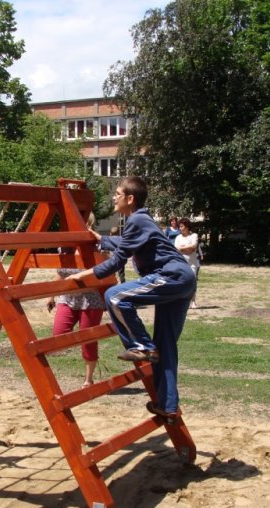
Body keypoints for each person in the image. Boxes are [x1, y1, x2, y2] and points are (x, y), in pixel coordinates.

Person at [66, 176, 196, 424]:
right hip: (183, 279)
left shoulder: (137, 219)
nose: (114, 197)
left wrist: (87, 274)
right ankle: (167, 405)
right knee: (165, 345)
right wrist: (101, 239)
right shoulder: (140, 221)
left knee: (115, 296)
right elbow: (128, 244)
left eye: (117, 193)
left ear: (130, 198)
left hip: (171, 276)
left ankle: (142, 346)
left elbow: (117, 261)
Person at [47, 215, 106, 387]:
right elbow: (61, 271)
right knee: (58, 336)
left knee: (88, 339)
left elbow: (105, 269)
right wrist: (51, 295)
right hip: (68, 297)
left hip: (91, 299)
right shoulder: (65, 246)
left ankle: (88, 379)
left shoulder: (96, 246)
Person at [174, 218, 200, 308]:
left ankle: (193, 301)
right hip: (181, 264)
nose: (180, 228)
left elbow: (193, 247)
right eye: (179, 227)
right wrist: (186, 249)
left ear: (187, 226)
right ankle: (182, 301)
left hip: (192, 264)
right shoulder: (178, 238)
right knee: (181, 282)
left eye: (182, 226)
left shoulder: (194, 236)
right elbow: (176, 250)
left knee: (193, 282)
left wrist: (182, 248)